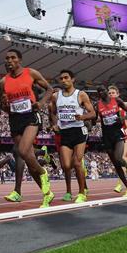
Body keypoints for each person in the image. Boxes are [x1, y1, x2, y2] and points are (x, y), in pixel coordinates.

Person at [0, 49, 54, 208]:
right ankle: (47, 194)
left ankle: (44, 173)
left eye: (13, 58)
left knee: (23, 151)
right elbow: (5, 107)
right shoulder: (3, 82)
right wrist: (5, 105)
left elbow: (50, 89)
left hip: (31, 116)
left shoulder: (31, 73)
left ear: (19, 60)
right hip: (14, 119)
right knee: (30, 164)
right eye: (7, 58)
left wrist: (41, 103)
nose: (9, 60)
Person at [49, 70, 95, 203]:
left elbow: (92, 113)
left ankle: (81, 193)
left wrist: (82, 116)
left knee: (77, 162)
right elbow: (52, 112)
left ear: (72, 79)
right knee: (66, 165)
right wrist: (54, 124)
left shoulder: (80, 94)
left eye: (66, 78)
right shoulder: (56, 96)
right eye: (61, 78)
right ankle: (68, 192)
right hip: (65, 132)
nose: (63, 80)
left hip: (79, 131)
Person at [95, 85, 127, 197]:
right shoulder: (97, 105)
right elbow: (94, 120)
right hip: (107, 137)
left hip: (118, 134)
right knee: (116, 165)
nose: (101, 93)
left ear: (106, 92)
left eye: (103, 90)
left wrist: (122, 118)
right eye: (98, 92)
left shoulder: (116, 100)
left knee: (118, 158)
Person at [108, 85, 127, 193]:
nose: (111, 95)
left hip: (124, 133)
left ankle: (120, 185)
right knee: (118, 160)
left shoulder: (124, 104)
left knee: (122, 158)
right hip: (113, 135)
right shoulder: (108, 106)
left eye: (113, 93)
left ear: (117, 94)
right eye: (109, 93)